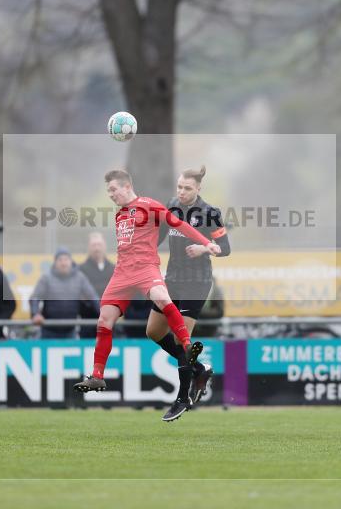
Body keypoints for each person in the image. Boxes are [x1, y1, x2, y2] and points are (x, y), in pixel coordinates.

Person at [73, 169, 221, 395]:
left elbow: (179, 224)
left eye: (113, 190)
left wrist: (205, 243)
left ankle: (186, 345)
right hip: (122, 273)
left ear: (126, 186)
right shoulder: (120, 215)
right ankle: (97, 376)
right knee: (104, 319)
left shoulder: (149, 205)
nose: (111, 195)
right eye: (108, 191)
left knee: (162, 298)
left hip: (145, 268)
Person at [146, 165, 230, 421]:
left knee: (181, 337)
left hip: (197, 282)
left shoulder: (210, 213)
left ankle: (183, 398)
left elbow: (225, 248)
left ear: (198, 189)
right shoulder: (171, 205)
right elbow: (157, 236)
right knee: (153, 331)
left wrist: (204, 248)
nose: (182, 192)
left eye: (188, 188)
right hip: (172, 279)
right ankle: (199, 368)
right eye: (180, 187)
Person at [29, 247, 99, 339]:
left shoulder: (80, 278)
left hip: (70, 331)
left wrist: (103, 314)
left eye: (66, 259)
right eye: (60, 260)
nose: (63, 263)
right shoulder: (46, 278)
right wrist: (35, 314)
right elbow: (35, 297)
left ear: (71, 261)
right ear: (55, 262)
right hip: (47, 331)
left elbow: (93, 297)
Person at [78, 233, 114, 338]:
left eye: (99, 244)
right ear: (88, 248)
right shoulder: (81, 270)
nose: (97, 248)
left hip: (110, 323)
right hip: (88, 323)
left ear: (104, 246)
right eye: (94, 245)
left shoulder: (114, 269)